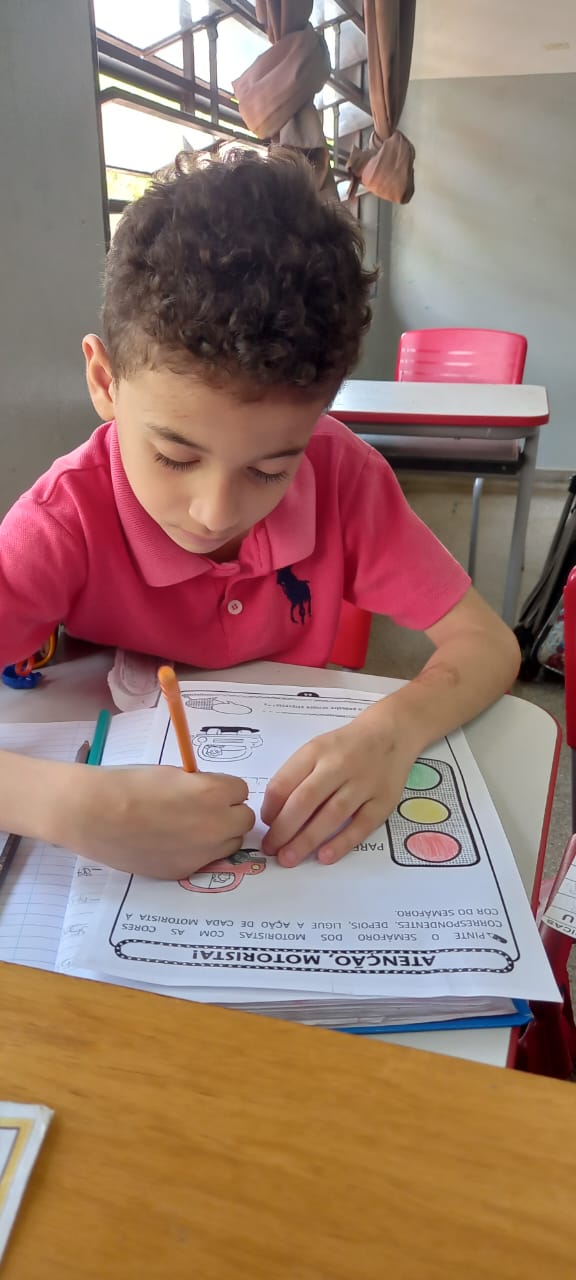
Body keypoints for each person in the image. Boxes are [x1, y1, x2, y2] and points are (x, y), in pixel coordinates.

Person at [0, 148, 520, 879]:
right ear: (104, 381)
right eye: (174, 457)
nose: (215, 513)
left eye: (271, 469)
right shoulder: (65, 521)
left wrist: (395, 730)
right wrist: (65, 807)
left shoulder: (343, 477)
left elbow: (488, 644)